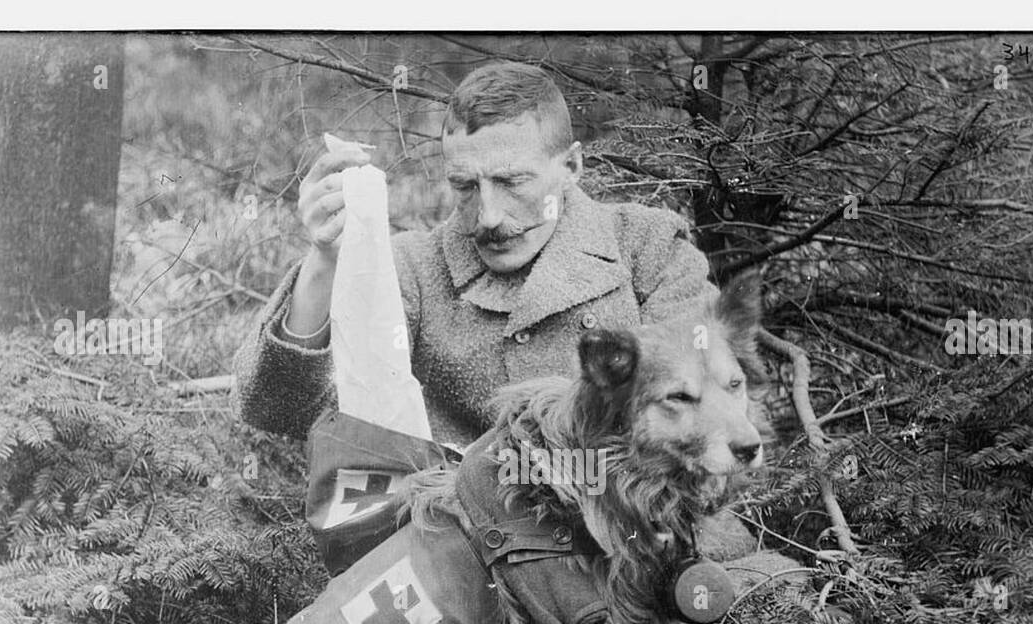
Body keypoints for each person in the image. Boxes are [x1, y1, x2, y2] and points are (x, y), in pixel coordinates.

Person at [234, 59, 758, 558]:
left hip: (649, 545)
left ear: (571, 165)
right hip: (470, 561)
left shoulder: (646, 246)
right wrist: (325, 261)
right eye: (465, 186)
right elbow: (278, 408)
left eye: (512, 182)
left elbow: (713, 422)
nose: (487, 216)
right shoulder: (412, 267)